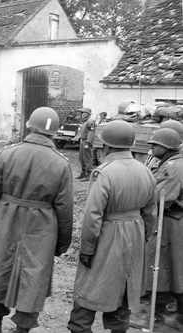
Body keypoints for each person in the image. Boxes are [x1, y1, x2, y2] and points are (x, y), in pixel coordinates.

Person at [0, 107, 74, 333]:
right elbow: (65, 208)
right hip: (42, 226)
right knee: (34, 277)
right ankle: (23, 329)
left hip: (6, 220)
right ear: (54, 133)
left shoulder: (8, 153)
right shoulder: (61, 163)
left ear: (30, 125)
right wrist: (62, 244)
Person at [67, 120, 158, 333]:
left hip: (108, 235)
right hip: (135, 234)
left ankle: (80, 327)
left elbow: (93, 216)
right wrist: (141, 237)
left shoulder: (103, 172)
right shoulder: (145, 171)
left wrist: (86, 249)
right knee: (125, 287)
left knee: (89, 288)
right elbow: (151, 213)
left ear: (106, 145)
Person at [131, 128, 183, 331]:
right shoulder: (173, 162)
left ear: (167, 146)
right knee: (176, 270)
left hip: (169, 222)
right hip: (173, 220)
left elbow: (161, 195)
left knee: (159, 270)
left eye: (155, 144)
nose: (151, 147)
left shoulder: (173, 167)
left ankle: (156, 318)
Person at [76, 107, 95, 181]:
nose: (81, 114)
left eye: (83, 113)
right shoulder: (84, 121)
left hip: (86, 141)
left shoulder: (90, 121)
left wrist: (88, 142)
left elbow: (91, 132)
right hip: (82, 140)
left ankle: (89, 174)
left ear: (87, 114)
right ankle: (83, 173)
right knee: (81, 158)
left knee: (87, 158)